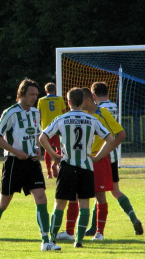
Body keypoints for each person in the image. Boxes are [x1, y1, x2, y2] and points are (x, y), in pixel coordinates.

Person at [57, 83, 144, 240]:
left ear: (88, 100)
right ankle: (71, 231)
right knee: (75, 196)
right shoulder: (83, 116)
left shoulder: (102, 113)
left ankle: (99, 232)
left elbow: (120, 134)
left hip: (99, 160)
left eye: (80, 101)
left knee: (100, 195)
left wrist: (103, 153)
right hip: (82, 160)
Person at [0, 79, 60, 251]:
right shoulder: (10, 112)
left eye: (36, 94)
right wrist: (15, 151)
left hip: (32, 163)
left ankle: (45, 241)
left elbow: (37, 134)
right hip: (13, 163)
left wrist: (38, 148)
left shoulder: (35, 112)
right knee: (4, 202)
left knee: (41, 197)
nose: (34, 97)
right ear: (22, 94)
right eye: (31, 94)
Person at [40, 87, 115, 248]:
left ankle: (52, 238)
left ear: (68, 102)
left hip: (67, 166)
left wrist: (54, 154)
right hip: (86, 167)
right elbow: (110, 139)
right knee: (84, 205)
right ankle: (79, 241)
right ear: (83, 101)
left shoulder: (62, 119)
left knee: (60, 203)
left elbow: (42, 137)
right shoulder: (92, 120)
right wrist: (98, 156)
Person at [89, 82, 143, 236]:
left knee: (99, 191)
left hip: (102, 154)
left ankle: (95, 228)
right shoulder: (113, 106)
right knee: (113, 190)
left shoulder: (100, 110)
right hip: (113, 155)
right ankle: (132, 217)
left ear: (93, 95)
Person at [37, 82, 66, 179]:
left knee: (47, 150)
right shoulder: (60, 99)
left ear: (46, 91)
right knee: (59, 149)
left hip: (46, 128)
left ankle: (49, 172)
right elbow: (64, 113)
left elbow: (39, 115)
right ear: (55, 90)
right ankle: (55, 164)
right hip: (58, 128)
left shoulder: (41, 100)